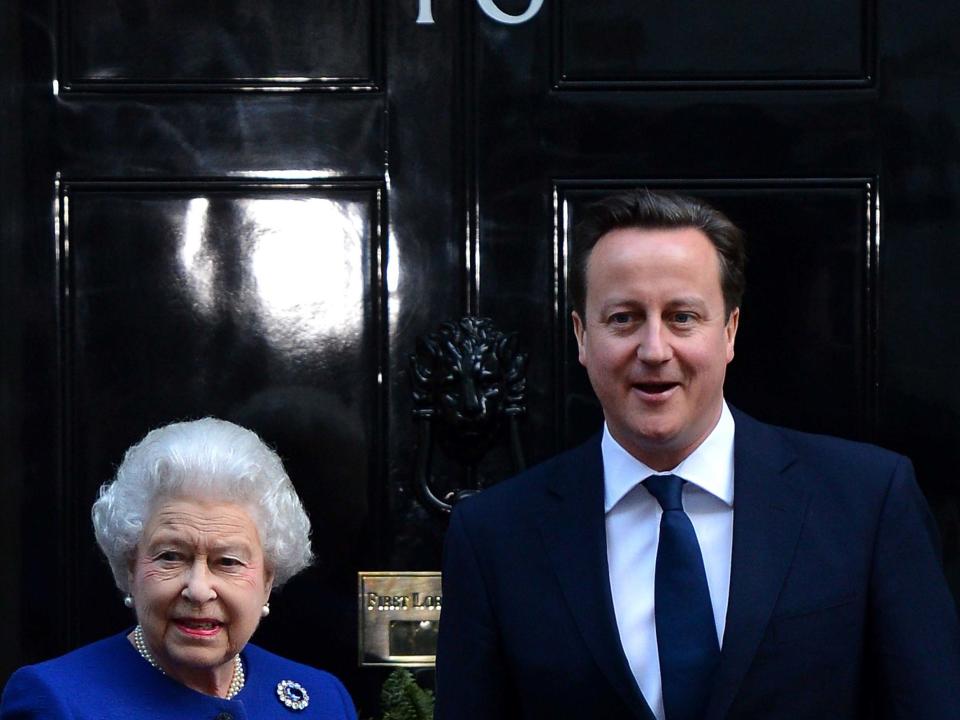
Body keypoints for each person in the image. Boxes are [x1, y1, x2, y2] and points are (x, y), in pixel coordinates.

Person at [434, 190, 960, 719]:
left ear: (729, 331)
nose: (655, 350)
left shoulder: (866, 501)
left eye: (683, 317)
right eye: (623, 318)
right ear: (582, 337)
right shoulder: (495, 535)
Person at [0, 417, 357, 719]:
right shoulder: (56, 700)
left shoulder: (324, 699)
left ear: (267, 580)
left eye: (228, 561)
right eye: (171, 556)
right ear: (129, 567)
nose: (199, 589)